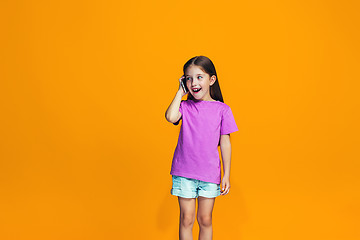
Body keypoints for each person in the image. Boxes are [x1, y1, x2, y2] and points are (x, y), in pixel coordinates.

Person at [165, 55, 239, 240]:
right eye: (188, 78)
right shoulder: (185, 106)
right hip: (184, 172)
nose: (193, 82)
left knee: (205, 219)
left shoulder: (223, 110)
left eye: (199, 77)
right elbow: (170, 117)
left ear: (211, 79)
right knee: (186, 219)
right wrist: (179, 92)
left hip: (209, 174)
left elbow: (225, 143)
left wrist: (227, 174)